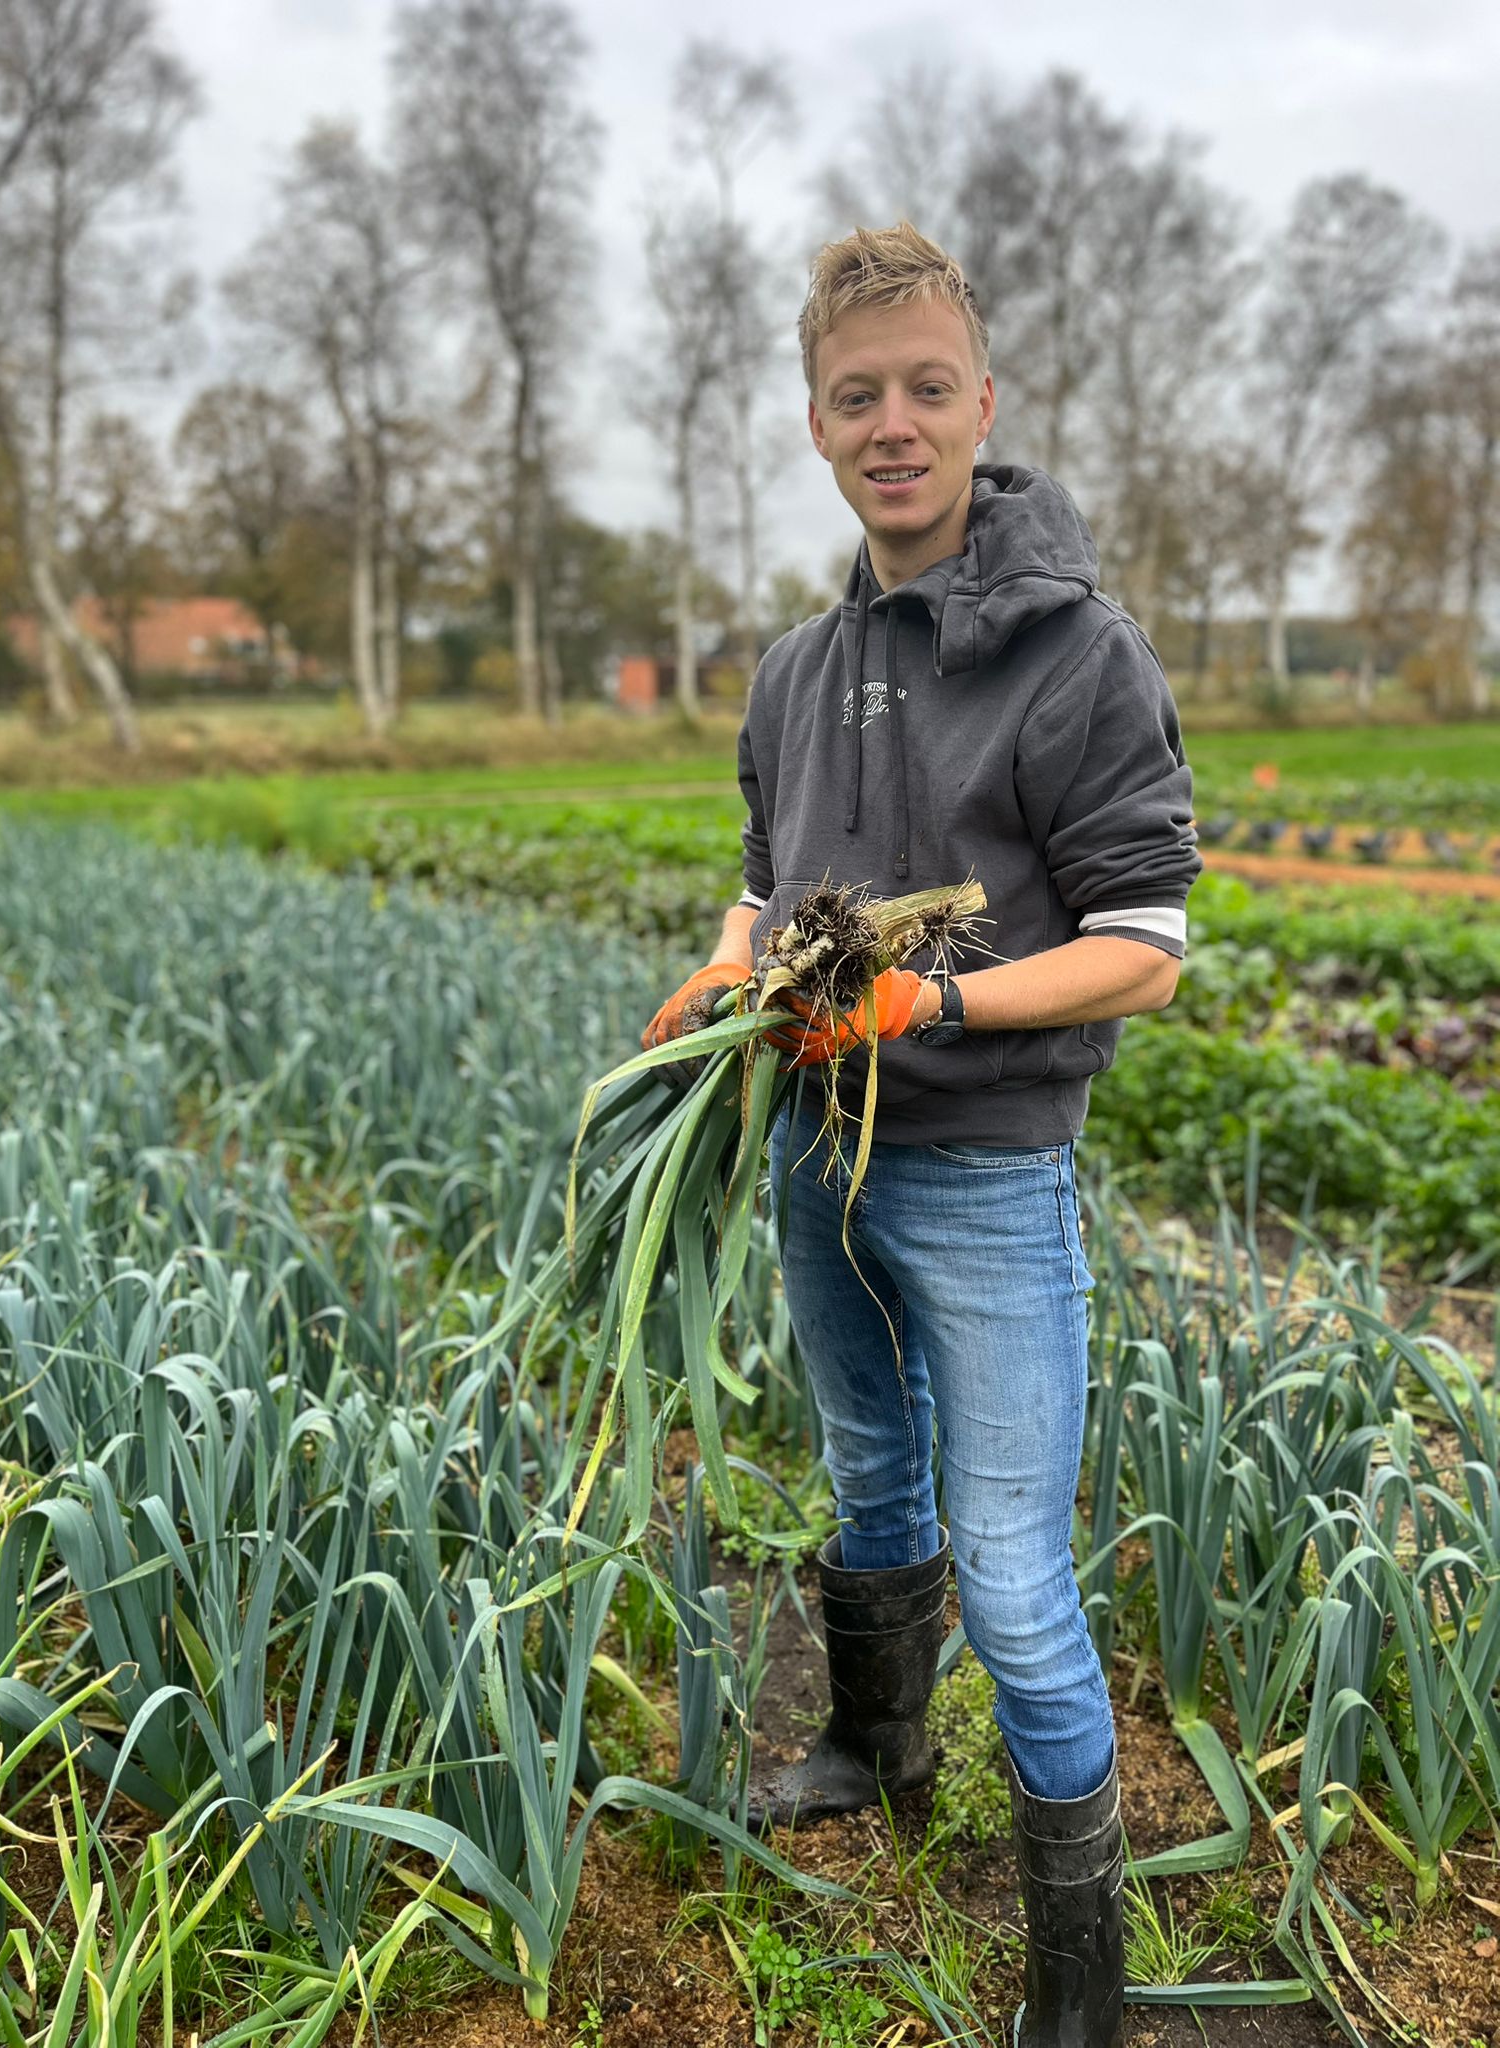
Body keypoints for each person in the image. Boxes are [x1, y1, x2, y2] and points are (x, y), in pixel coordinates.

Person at [642, 221, 1200, 2048]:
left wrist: (931, 1006)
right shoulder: (797, 668)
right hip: (819, 1149)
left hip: (980, 1174)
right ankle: (879, 1747)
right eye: (857, 394)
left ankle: (1080, 1979)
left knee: (1020, 1575)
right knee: (871, 1479)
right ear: (815, 423)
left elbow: (1146, 953)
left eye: (927, 389)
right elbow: (769, 882)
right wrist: (723, 968)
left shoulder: (1076, 656)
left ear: (984, 404)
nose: (896, 423)